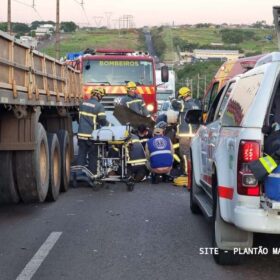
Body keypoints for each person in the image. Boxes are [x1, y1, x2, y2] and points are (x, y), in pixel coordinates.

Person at [77, 88, 108, 174]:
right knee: (93, 156)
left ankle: (79, 175)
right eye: (101, 96)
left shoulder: (82, 103)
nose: (101, 98)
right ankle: (92, 176)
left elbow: (78, 118)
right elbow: (102, 120)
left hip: (81, 134)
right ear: (98, 95)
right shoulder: (99, 106)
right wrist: (110, 126)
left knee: (81, 155)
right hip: (92, 136)